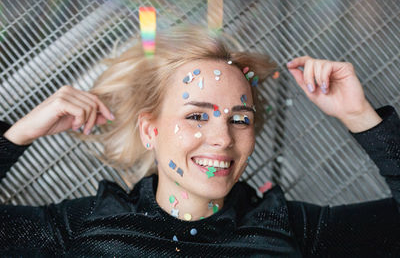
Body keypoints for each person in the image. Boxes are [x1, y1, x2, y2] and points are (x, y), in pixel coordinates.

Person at [0, 25, 399, 257]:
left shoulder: (290, 228)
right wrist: (18, 135)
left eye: (239, 119)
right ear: (149, 129)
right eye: (196, 116)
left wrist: (360, 116)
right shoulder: (83, 226)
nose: (223, 138)